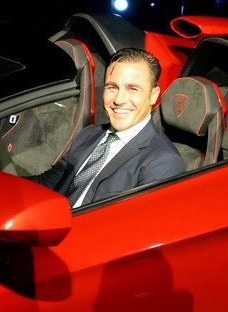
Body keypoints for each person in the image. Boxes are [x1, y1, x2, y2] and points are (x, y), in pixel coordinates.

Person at [27, 48, 185, 207]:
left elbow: (136, 221)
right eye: (112, 87)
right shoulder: (88, 134)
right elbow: (47, 183)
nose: (119, 100)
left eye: (132, 89)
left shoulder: (163, 161)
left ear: (153, 95)